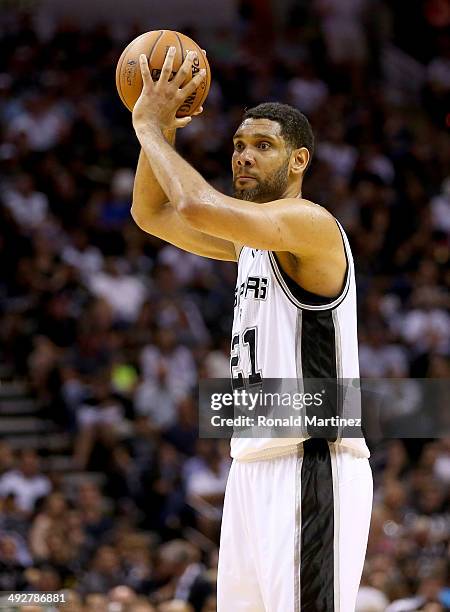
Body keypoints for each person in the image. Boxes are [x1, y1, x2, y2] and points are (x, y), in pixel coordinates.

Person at [131, 48, 373, 612]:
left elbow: (190, 203)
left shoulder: (309, 224)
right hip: (251, 466)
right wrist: (158, 128)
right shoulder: (249, 243)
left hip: (312, 466)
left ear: (298, 161)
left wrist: (149, 127)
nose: (244, 157)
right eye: (239, 146)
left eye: (263, 147)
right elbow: (152, 213)